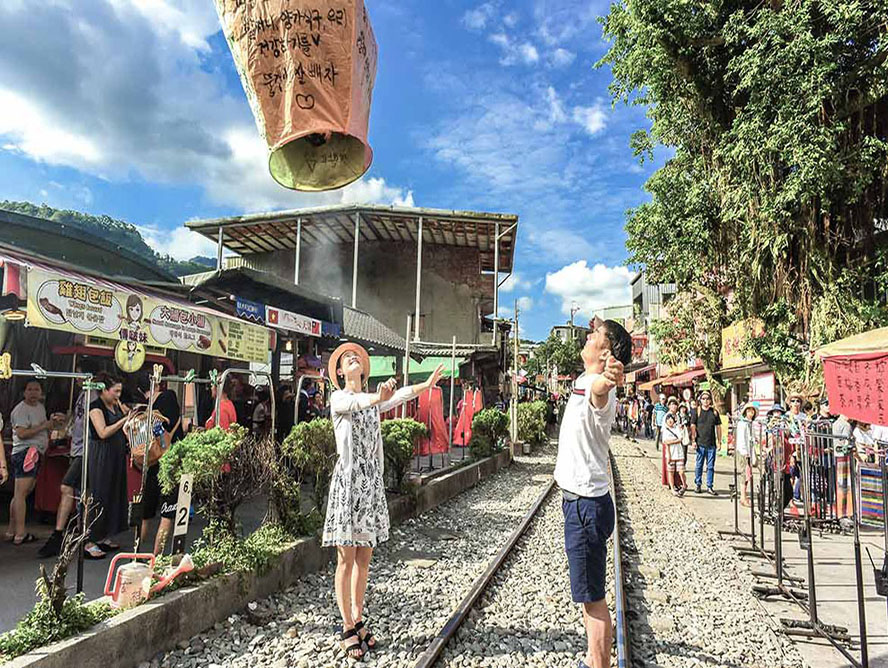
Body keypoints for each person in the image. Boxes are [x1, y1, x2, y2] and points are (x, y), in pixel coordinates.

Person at [323, 342, 444, 660]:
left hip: (370, 485)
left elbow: (400, 396)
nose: (352, 359)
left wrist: (426, 385)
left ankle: (359, 618)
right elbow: (365, 401)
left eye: (356, 358)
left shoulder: (373, 403)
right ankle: (346, 626)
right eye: (346, 359)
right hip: (349, 484)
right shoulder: (339, 399)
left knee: (364, 558)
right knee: (345, 559)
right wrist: (379, 396)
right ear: (339, 371)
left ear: (364, 369)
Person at [554, 320, 631, 668]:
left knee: (593, 599)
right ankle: (594, 659)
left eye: (594, 335)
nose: (587, 337)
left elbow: (601, 388)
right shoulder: (583, 382)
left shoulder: (598, 387)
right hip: (584, 502)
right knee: (588, 597)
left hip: (585, 506)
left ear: (606, 352)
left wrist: (610, 376)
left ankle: (598, 664)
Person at [38, 379, 98, 558]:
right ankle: (81, 534)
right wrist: (66, 426)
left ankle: (61, 534)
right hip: (77, 448)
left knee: (67, 487)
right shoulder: (81, 394)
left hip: (85, 451)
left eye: (79, 373)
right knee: (82, 493)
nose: (77, 378)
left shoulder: (93, 396)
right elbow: (76, 421)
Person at [6, 380, 62, 545]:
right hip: (25, 453)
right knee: (21, 494)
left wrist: (49, 424)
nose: (33, 393)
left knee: (20, 493)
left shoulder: (39, 407)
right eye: (29, 389)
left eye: (36, 390)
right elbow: (22, 433)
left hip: (35, 452)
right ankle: (20, 533)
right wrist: (44, 426)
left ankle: (11, 530)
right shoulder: (20, 410)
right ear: (24, 392)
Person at [132, 378, 182, 556]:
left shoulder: (143, 409)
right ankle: (157, 557)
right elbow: (177, 425)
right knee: (167, 515)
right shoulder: (169, 397)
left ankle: (136, 555)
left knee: (145, 515)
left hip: (151, 463)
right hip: (170, 462)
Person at [86, 373, 130, 556]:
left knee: (114, 494)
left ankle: (104, 536)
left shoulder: (115, 405)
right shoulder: (95, 408)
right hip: (101, 455)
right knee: (100, 494)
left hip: (116, 454)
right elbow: (102, 432)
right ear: (103, 390)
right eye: (115, 391)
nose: (118, 395)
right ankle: (89, 540)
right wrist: (123, 421)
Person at [691, 390, 721, 495]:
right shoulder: (696, 411)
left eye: (707, 399)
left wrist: (719, 441)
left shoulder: (714, 412)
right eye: (703, 399)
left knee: (711, 466)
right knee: (699, 465)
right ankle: (698, 484)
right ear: (700, 400)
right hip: (700, 443)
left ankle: (709, 486)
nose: (705, 401)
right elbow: (693, 426)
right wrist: (693, 440)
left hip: (711, 443)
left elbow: (718, 427)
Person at [734, 403, 758, 507]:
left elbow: (752, 437)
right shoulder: (742, 424)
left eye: (752, 411)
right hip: (743, 452)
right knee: (744, 474)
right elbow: (741, 440)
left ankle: (744, 495)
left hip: (749, 451)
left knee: (748, 474)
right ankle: (743, 497)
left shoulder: (750, 424)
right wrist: (745, 453)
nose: (751, 413)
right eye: (749, 411)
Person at [832, 413, 854, 523]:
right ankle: (846, 512)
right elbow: (847, 443)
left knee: (840, 484)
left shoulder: (835, 424)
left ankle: (840, 512)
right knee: (846, 485)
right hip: (844, 457)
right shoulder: (846, 425)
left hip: (836, 455)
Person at [662, 413, 686, 495]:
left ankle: (684, 485)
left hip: (679, 453)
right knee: (670, 472)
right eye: (668, 419)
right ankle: (672, 489)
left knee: (681, 471)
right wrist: (674, 441)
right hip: (670, 454)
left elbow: (680, 439)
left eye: (671, 419)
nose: (670, 421)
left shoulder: (677, 429)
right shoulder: (665, 430)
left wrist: (671, 441)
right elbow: (665, 442)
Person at [661, 397, 680, 487]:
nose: (674, 406)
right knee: (669, 461)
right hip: (669, 442)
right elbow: (664, 430)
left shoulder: (678, 416)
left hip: (677, 442)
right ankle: (669, 481)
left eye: (675, 404)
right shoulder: (666, 416)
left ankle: (676, 481)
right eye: (672, 404)